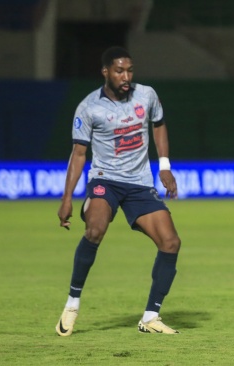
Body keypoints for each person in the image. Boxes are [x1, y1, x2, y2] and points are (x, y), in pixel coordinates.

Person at [55, 46, 182, 336]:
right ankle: (73, 303)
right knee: (95, 230)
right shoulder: (89, 107)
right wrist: (66, 200)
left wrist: (164, 165)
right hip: (105, 180)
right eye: (119, 70)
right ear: (105, 72)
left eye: (130, 70)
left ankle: (150, 317)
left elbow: (159, 125)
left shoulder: (146, 95)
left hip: (139, 183)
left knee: (171, 242)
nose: (126, 76)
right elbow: (78, 154)